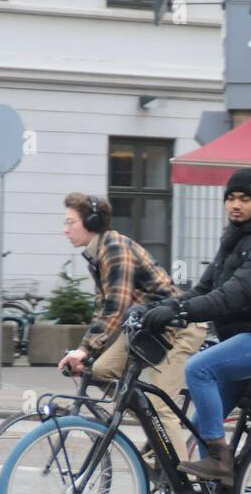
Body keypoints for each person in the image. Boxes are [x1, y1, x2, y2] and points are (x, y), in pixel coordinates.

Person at [137, 168, 251, 491]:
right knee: (201, 426)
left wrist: (183, 312)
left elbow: (234, 294)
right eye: (230, 198)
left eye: (244, 198)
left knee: (198, 368)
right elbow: (204, 289)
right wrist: (163, 308)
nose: (235, 205)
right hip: (247, 338)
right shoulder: (236, 239)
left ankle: (219, 460)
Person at [56, 193, 207, 467]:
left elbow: (115, 306)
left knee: (162, 408)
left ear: (91, 222)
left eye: (70, 222)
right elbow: (103, 309)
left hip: (179, 327)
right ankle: (153, 428)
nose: (64, 229)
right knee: (99, 371)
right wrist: (86, 353)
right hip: (147, 328)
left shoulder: (114, 248)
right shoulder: (97, 253)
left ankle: (188, 483)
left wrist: (83, 349)